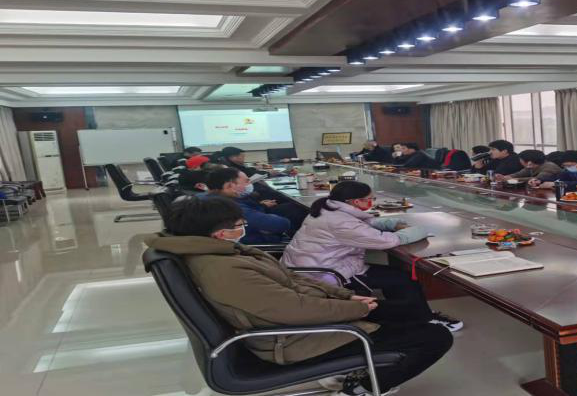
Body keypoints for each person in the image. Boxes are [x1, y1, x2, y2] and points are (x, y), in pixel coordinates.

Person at [147, 196, 452, 396]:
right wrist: (355, 310)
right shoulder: (225, 268)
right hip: (294, 340)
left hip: (298, 324)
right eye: (239, 225)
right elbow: (293, 309)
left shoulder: (221, 252)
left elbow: (290, 281)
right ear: (218, 233)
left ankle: (362, 361)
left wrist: (345, 298)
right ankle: (361, 388)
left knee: (404, 310)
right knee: (435, 337)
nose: (244, 228)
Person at [281, 181, 462, 332]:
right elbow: (388, 241)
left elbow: (361, 224)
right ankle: (424, 319)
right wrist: (419, 229)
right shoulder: (341, 222)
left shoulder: (328, 209)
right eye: (369, 199)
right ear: (354, 201)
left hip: (309, 266)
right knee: (402, 280)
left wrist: (390, 223)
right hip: (325, 274)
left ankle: (410, 317)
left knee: (396, 277)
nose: (371, 202)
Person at [203, 168, 291, 244]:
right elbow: (281, 224)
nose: (250, 183)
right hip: (257, 247)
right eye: (246, 181)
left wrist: (261, 206)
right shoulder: (231, 208)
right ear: (229, 185)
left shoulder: (208, 198)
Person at [495, 149, 562, 184]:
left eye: (521, 160)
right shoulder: (531, 166)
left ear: (529, 162)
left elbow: (537, 179)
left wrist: (515, 179)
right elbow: (519, 174)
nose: (520, 161)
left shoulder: (549, 167)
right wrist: (505, 177)